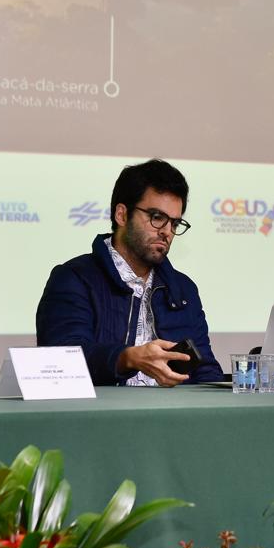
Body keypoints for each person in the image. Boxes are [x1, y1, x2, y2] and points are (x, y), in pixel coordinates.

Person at [36, 159, 221, 386]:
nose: (167, 232)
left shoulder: (183, 289)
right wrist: (127, 358)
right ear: (122, 215)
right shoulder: (74, 279)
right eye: (157, 218)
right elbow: (59, 364)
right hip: (101, 418)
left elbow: (205, 370)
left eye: (174, 223)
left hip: (174, 418)